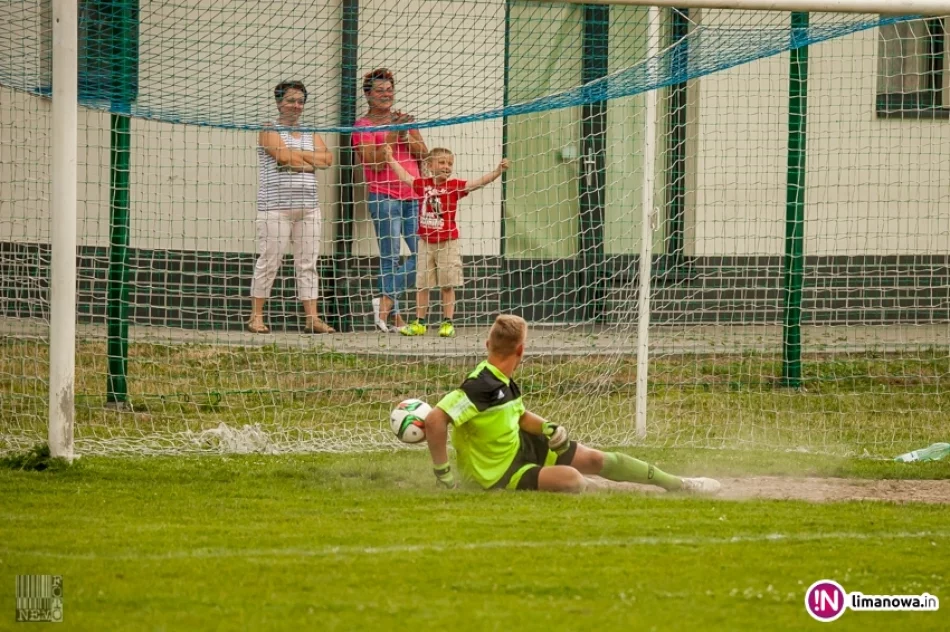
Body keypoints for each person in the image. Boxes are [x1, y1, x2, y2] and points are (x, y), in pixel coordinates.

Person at [423, 314, 723, 494]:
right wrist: (444, 475)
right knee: (573, 481)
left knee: (601, 460)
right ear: (521, 350)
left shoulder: (499, 378)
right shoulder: (480, 384)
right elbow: (437, 419)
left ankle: (679, 485)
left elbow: (517, 416)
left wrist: (547, 427)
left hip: (520, 446)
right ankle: (606, 487)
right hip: (501, 473)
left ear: (488, 345)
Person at [384, 145, 509, 338]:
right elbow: (404, 176)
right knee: (422, 284)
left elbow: (477, 183)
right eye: (442, 162)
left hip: (447, 243)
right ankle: (420, 322)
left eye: (450, 163)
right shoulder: (423, 184)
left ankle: (447, 322)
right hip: (425, 243)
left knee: (447, 284)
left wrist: (497, 171)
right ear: (430, 165)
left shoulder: (454, 186)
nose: (446, 166)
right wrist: (390, 158)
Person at [249, 80, 335, 334]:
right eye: (290, 100)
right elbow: (283, 157)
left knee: (308, 263)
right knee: (270, 260)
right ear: (279, 102)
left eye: (300, 101)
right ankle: (256, 316)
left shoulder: (309, 132)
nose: (296, 106)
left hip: (309, 207)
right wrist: (307, 161)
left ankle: (312, 318)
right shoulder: (268, 129)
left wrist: (298, 159)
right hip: (275, 207)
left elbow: (327, 159)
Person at [352, 68, 428, 333]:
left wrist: (406, 133)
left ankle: (383, 303)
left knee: (423, 254)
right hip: (384, 197)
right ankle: (395, 318)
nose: (386, 95)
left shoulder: (406, 120)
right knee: (390, 257)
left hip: (413, 197)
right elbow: (372, 162)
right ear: (368, 95)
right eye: (380, 91)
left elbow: (424, 156)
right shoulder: (363, 126)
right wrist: (394, 134)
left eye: (389, 90)